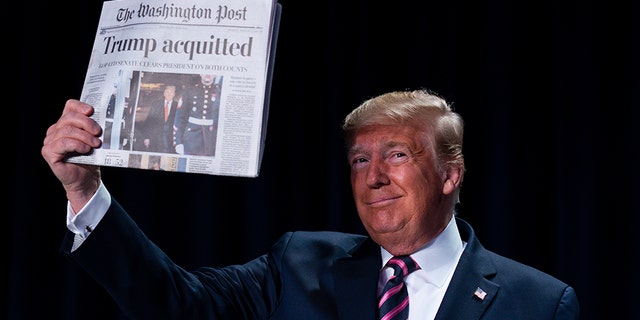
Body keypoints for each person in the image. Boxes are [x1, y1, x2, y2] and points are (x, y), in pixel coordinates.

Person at [41, 89, 580, 319]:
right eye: (359, 161)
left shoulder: (540, 303)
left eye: (396, 154)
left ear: (449, 175)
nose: (374, 177)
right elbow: (175, 304)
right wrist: (84, 191)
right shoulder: (299, 264)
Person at [173, 74, 222, 156]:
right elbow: (180, 118)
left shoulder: (220, 93)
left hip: (212, 139)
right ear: (200, 73)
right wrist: (178, 142)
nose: (208, 74)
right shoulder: (190, 91)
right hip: (191, 138)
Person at [146, 84, 179, 153]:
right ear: (164, 93)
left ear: (174, 94)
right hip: (156, 139)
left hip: (171, 140)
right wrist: (147, 137)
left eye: (171, 92)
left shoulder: (178, 106)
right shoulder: (156, 104)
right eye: (167, 92)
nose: (169, 94)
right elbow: (149, 122)